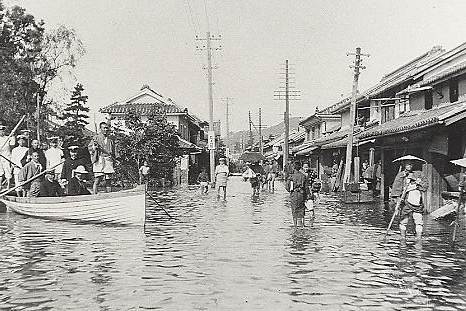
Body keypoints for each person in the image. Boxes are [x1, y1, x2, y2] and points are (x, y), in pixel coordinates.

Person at [391, 160, 428, 241]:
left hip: (417, 201)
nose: (410, 166)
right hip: (405, 202)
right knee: (403, 221)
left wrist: (415, 181)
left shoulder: (419, 174)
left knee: (419, 221)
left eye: (411, 164)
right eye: (408, 164)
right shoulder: (401, 175)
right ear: (404, 165)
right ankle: (403, 238)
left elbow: (425, 186)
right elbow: (396, 189)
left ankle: (419, 239)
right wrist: (398, 199)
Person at [88, 122, 117, 194]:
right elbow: (90, 148)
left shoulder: (111, 139)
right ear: (100, 129)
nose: (106, 129)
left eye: (107, 128)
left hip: (108, 159)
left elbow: (114, 151)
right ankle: (95, 195)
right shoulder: (96, 138)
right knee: (97, 179)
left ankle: (109, 196)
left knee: (108, 180)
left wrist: (116, 159)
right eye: (104, 128)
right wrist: (94, 147)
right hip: (99, 159)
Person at [286, 161, 309, 228]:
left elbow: (287, 187)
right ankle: (302, 225)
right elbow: (306, 188)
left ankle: (295, 225)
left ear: (294, 167)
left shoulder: (291, 176)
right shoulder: (303, 176)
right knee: (301, 209)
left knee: (294, 209)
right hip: (301, 194)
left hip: (294, 194)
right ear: (300, 167)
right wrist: (306, 196)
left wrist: (290, 191)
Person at [0, 124, 15, 189]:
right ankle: (0, 185)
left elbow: (12, 145)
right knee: (0, 172)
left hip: (6, 156)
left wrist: (13, 136)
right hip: (0, 156)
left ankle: (8, 186)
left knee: (8, 171)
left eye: (3, 131)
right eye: (0, 131)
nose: (1, 132)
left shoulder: (8, 138)